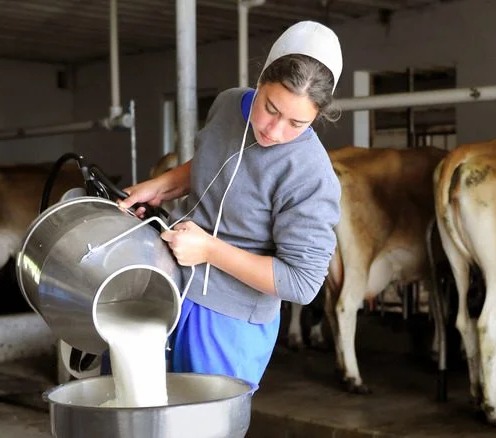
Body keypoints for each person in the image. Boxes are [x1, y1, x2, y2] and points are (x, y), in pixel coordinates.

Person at [115, 20, 343, 387]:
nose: (273, 130)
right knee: (134, 410)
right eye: (269, 108)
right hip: (168, 284)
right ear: (259, 81)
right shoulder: (227, 104)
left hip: (227, 322)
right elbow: (214, 164)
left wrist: (209, 250)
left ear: (317, 116)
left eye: (296, 123)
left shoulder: (310, 176)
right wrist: (159, 186)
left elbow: (302, 282)